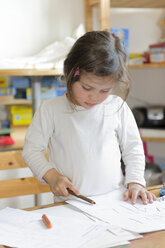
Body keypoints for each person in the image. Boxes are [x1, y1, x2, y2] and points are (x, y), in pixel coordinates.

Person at [23, 30, 156, 205]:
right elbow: (32, 150)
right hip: (70, 203)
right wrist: (52, 176)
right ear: (71, 74)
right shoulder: (51, 110)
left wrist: (136, 182)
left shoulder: (117, 107)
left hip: (115, 201)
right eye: (86, 88)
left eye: (104, 90)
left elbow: (133, 149)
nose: (94, 97)